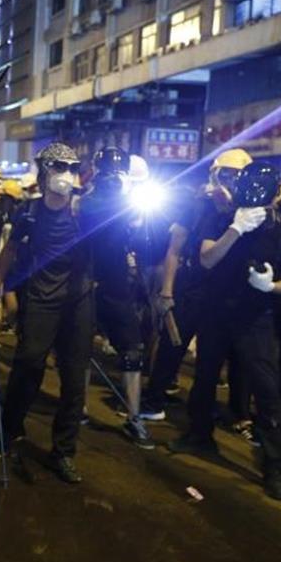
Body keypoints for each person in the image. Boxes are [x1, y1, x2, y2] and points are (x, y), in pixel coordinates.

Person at [169, 160, 281, 500]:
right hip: (216, 310)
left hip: (255, 319)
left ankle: (276, 465)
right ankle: (198, 433)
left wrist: (271, 287)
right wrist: (234, 229)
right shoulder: (220, 217)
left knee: (266, 390)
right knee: (204, 376)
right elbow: (207, 258)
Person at [0, 142, 92, 484]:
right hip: (40, 300)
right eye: (57, 166)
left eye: (70, 167)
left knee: (75, 379)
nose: (65, 174)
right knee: (28, 365)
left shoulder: (84, 211)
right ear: (43, 170)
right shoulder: (28, 212)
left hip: (78, 303)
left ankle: (63, 452)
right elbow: (11, 250)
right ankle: (8, 430)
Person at [140, 149, 253, 420]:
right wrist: (167, 290)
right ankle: (153, 400)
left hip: (225, 290)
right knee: (172, 346)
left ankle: (219, 414)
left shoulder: (248, 211)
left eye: (237, 175)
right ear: (215, 173)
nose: (231, 179)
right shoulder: (197, 205)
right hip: (191, 285)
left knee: (216, 356)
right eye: (226, 173)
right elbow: (174, 249)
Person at [78, 147, 153, 449]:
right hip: (86, 277)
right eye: (107, 169)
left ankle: (134, 418)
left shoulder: (131, 200)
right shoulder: (83, 196)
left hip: (117, 281)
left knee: (132, 350)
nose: (112, 176)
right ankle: (78, 408)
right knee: (81, 348)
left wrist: (131, 210)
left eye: (117, 171)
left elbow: (144, 240)